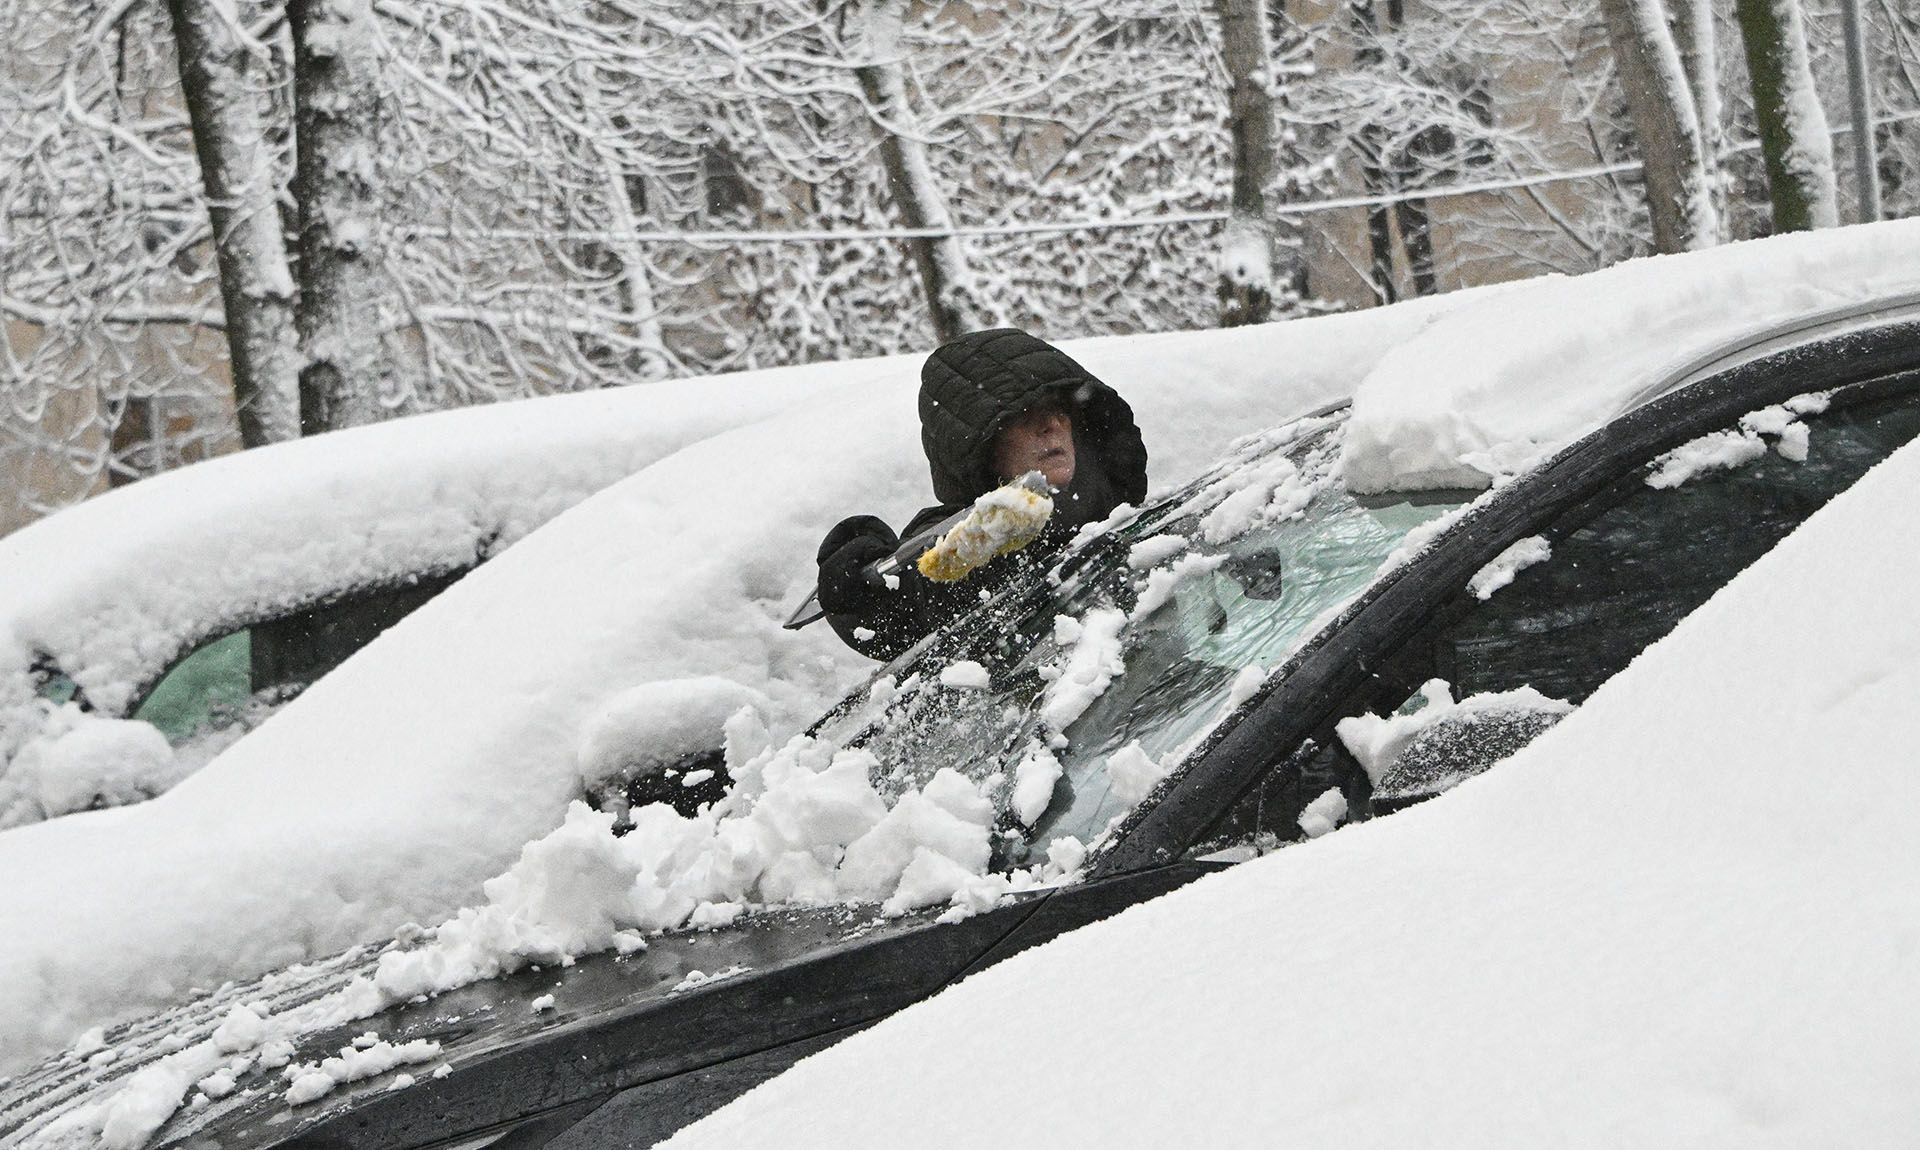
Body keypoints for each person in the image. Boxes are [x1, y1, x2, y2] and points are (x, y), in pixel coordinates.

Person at [816, 328, 1148, 660]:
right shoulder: (959, 536)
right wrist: (867, 592)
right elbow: (915, 599)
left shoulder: (1141, 524)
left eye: (1060, 410)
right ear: (982, 448)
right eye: (1027, 414)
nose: (1052, 425)